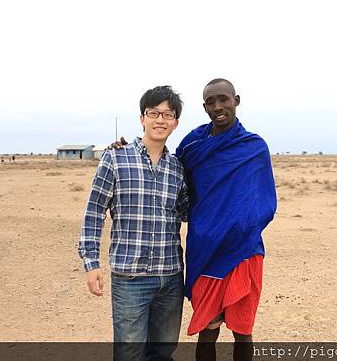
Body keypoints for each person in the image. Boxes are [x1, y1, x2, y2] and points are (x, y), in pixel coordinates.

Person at [78, 86, 189, 361]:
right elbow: (94, 212)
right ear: (142, 118)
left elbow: (187, 212)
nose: (160, 120)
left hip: (171, 276)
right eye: (154, 113)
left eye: (168, 114)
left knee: (162, 354)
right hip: (131, 278)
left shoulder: (177, 168)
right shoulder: (115, 158)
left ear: (175, 122)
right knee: (129, 354)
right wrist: (91, 263)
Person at [175, 78, 277, 361]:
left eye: (224, 99)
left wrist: (240, 227)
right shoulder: (193, 145)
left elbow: (265, 200)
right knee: (209, 328)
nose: (218, 106)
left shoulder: (253, 147)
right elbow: (171, 174)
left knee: (243, 331)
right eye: (211, 102)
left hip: (243, 251)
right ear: (205, 106)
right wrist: (127, 150)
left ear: (236, 101)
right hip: (206, 248)